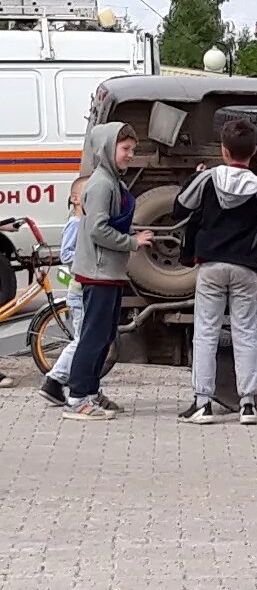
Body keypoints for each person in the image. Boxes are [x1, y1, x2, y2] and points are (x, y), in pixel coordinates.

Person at [172, 119, 257, 427]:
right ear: (254, 152)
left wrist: (193, 180)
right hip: (246, 269)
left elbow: (179, 209)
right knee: (246, 333)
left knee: (206, 332)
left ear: (223, 150)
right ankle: (247, 405)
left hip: (210, 266)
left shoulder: (207, 179)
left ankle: (202, 403)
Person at [63, 124, 155, 421]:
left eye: (132, 149)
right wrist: (132, 242)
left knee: (103, 336)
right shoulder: (103, 184)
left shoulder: (113, 182)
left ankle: (90, 392)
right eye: (125, 149)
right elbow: (97, 229)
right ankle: (77, 397)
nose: (130, 155)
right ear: (106, 149)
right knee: (93, 336)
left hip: (109, 272)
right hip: (99, 273)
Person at [38, 177, 106, 408]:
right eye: (86, 194)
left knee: (88, 339)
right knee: (83, 340)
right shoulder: (76, 224)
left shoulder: (85, 222)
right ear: (75, 198)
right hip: (80, 289)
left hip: (85, 289)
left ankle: (80, 387)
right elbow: (66, 255)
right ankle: (55, 380)